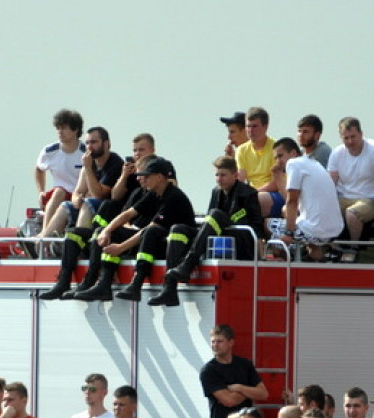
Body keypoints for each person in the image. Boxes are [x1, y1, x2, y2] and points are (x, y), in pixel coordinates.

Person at [72, 157, 196, 303]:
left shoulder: (173, 196)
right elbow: (128, 214)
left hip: (174, 249)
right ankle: (103, 284)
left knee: (150, 232)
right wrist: (107, 231)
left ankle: (137, 283)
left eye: (147, 176)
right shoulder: (154, 193)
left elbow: (151, 228)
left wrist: (120, 248)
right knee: (104, 232)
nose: (142, 179)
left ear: (159, 177)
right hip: (154, 241)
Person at [148, 155, 264, 307]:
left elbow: (257, 226)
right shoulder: (216, 192)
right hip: (217, 237)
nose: (219, 179)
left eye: (223, 175)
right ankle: (169, 287)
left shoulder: (248, 193)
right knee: (177, 229)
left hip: (240, 241)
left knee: (216, 214)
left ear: (235, 175)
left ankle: (187, 264)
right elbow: (209, 222)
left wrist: (259, 252)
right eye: (217, 175)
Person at [34, 126, 123, 250]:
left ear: (106, 144)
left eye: (94, 142)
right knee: (66, 206)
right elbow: (77, 192)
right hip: (89, 207)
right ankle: (41, 245)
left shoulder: (115, 163)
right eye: (87, 143)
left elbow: (98, 194)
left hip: (107, 211)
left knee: (88, 203)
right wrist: (76, 200)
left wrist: (88, 169)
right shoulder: (89, 162)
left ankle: (76, 246)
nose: (89, 147)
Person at [326, 117, 374, 262]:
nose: (350, 141)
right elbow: (330, 183)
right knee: (323, 209)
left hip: (371, 200)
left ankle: (354, 249)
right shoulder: (337, 153)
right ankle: (330, 247)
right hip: (344, 198)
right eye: (346, 138)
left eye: (353, 137)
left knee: (352, 213)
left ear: (361, 134)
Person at [269, 137, 342, 262]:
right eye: (276, 158)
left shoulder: (293, 163)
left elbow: (292, 201)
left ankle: (288, 262)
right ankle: (316, 256)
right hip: (334, 229)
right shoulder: (313, 163)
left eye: (280, 156)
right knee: (290, 214)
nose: (278, 161)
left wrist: (288, 234)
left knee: (266, 224)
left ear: (293, 153)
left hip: (316, 231)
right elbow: (292, 202)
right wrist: (278, 177)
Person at [199, 324, 267, 418]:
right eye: (213, 341)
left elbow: (263, 394)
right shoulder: (208, 371)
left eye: (220, 341)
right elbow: (229, 401)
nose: (215, 345)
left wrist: (239, 388)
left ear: (231, 342)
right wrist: (249, 391)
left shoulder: (245, 365)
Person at [34, 109, 85, 224]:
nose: (60, 132)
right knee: (59, 191)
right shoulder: (49, 151)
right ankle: (46, 230)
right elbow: (39, 169)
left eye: (64, 128)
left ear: (76, 129)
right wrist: (41, 191)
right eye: (58, 128)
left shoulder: (85, 152)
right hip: (57, 196)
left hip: (79, 197)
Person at [235, 106, 283, 218]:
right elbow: (240, 179)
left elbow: (275, 184)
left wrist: (251, 193)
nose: (251, 131)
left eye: (255, 126)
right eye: (248, 126)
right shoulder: (241, 150)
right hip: (253, 194)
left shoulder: (276, 147)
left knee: (257, 200)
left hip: (275, 194)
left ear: (265, 127)